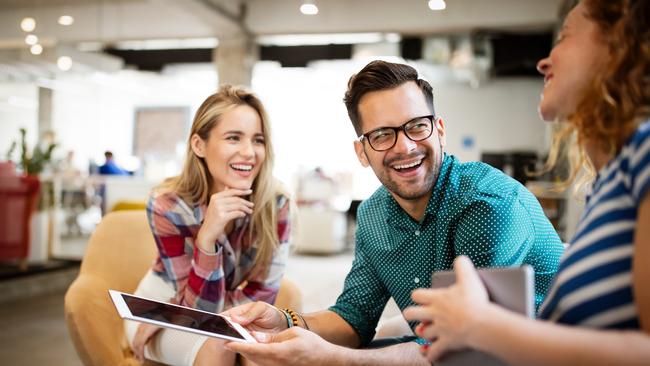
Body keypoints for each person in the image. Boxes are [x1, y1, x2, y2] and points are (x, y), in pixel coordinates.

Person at [224, 60, 565, 365]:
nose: (405, 146)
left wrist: (334, 359)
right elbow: (353, 317)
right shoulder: (373, 214)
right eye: (383, 135)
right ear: (362, 152)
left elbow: (468, 348)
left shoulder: (487, 203)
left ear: (440, 130)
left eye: (417, 126)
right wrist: (286, 321)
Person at [403, 0, 650, 364]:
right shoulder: (608, 183)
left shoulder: (644, 151)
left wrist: (479, 323)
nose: (543, 61)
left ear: (619, 48)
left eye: (565, 36)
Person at [124, 85, 292, 366]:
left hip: (222, 307)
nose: (249, 152)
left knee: (251, 350)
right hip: (162, 301)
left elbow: (263, 292)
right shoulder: (167, 205)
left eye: (258, 140)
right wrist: (207, 239)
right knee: (222, 347)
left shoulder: (277, 204)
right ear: (199, 145)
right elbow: (199, 311)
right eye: (233, 138)